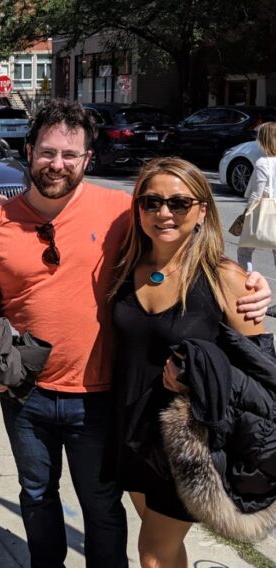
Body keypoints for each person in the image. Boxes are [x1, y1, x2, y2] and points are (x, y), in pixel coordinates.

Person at [0, 98, 271, 568]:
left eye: (70, 154)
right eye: (46, 152)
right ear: (28, 150)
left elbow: (182, 245)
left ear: (88, 158)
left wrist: (250, 283)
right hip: (26, 394)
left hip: (103, 397)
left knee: (103, 504)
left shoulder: (122, 212)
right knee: (36, 493)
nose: (56, 164)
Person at [110, 157, 265, 567]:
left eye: (179, 203)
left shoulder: (225, 277)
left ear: (201, 210)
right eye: (151, 202)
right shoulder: (126, 269)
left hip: (189, 441)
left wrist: (202, 381)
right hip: (131, 431)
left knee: (152, 555)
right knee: (163, 544)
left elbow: (262, 372)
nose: (164, 213)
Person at [237, 122, 276, 271]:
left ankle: (247, 284)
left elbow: (257, 193)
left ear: (264, 140)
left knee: (244, 251)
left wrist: (246, 213)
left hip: (264, 211)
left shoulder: (263, 162)